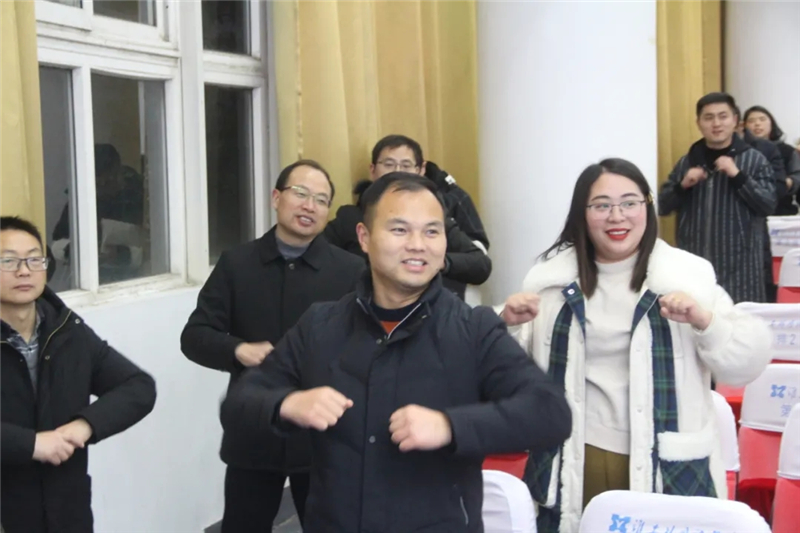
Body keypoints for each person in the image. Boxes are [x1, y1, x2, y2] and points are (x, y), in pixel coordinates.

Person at [221, 173, 572, 533]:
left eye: (432, 232)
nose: (418, 245)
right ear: (364, 238)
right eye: (400, 230)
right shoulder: (320, 326)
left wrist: (450, 426)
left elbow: (550, 413)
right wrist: (286, 404)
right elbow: (238, 404)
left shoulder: (472, 329)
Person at [500, 158, 772, 533]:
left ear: (647, 205)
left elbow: (746, 364)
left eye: (630, 202)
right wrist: (506, 325)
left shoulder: (688, 276)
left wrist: (705, 322)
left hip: (668, 462)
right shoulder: (549, 283)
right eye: (602, 205)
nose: (617, 216)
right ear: (582, 213)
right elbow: (508, 375)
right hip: (576, 455)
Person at [180, 160, 365, 532]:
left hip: (323, 434)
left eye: (321, 200)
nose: (310, 206)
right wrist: (238, 350)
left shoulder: (350, 270)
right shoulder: (237, 263)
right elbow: (195, 335)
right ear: (276, 198)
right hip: (254, 427)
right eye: (300, 194)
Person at [1, 216, 157, 533]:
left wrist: (85, 425)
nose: (24, 271)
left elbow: (138, 387)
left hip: (67, 511)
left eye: (34, 259)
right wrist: (30, 444)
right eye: (8, 261)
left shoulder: (67, 331)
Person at [324, 134, 491, 300]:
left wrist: (438, 261)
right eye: (388, 164)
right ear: (373, 170)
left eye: (406, 165)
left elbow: (480, 265)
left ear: (420, 171)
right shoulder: (350, 217)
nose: (397, 172)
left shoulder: (434, 218)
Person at [659, 92, 777, 303]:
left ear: (735, 120)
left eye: (723, 116)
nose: (716, 123)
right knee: (694, 319)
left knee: (741, 321)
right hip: (694, 267)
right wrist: (683, 185)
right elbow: (662, 206)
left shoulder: (754, 160)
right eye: (708, 117)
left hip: (742, 271)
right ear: (698, 123)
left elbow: (768, 204)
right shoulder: (687, 162)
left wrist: (738, 176)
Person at [744, 105, 800, 216]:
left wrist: (788, 182)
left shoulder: (787, 150)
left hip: (782, 210)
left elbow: (797, 174)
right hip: (748, 212)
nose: (757, 124)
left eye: (762, 119)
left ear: (771, 123)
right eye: (751, 121)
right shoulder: (742, 150)